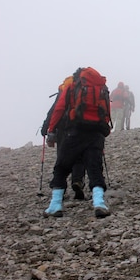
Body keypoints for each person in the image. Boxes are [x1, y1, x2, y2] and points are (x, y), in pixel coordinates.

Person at [43, 67, 112, 218]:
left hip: (75, 131)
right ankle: (99, 203)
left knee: (61, 168)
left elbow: (59, 108)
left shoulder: (72, 86)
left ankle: (55, 205)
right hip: (96, 133)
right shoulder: (101, 88)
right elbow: (106, 112)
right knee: (95, 169)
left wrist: (51, 130)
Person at [41, 75, 86, 200]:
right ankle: (77, 181)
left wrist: (47, 129)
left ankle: (61, 187)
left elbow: (55, 110)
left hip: (63, 128)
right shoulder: (83, 90)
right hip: (80, 126)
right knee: (79, 157)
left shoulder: (64, 90)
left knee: (62, 157)